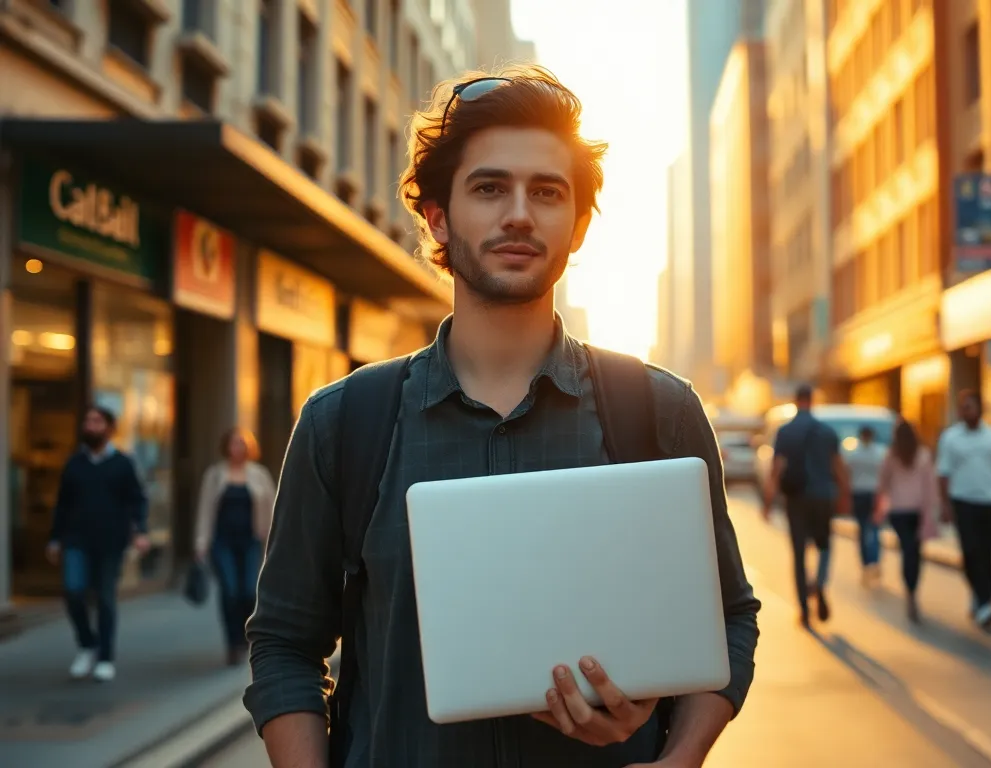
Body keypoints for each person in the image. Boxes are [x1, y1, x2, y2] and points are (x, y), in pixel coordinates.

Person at [243, 66, 760, 767]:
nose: (519, 214)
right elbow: (284, 643)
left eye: (546, 193)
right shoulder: (344, 423)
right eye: (489, 188)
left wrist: (680, 757)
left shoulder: (655, 410)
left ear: (577, 227)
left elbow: (726, 618)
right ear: (438, 218)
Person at [45, 405, 150, 683]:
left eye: (96, 421)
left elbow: (137, 500)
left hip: (110, 542)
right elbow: (62, 505)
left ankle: (105, 657)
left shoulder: (123, 464)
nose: (90, 426)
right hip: (76, 540)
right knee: (74, 592)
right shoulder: (74, 464)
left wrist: (139, 531)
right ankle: (87, 645)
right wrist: (55, 538)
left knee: (105, 599)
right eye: (87, 421)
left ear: (109, 428)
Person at [761, 385, 849, 628]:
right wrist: (844, 494)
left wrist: (768, 502)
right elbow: (838, 467)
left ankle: (803, 610)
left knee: (799, 553)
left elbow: (777, 468)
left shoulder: (786, 432)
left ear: (796, 401)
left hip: (796, 499)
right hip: (823, 496)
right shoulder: (827, 431)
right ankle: (819, 584)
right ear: (812, 401)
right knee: (824, 546)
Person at [194, 427, 276, 666]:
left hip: (251, 541)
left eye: (242, 443)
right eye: (233, 443)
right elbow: (205, 510)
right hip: (222, 543)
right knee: (229, 592)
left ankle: (243, 636)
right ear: (226, 446)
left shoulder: (259, 474)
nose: (237, 448)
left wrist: (273, 540)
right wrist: (201, 543)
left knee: (249, 591)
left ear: (249, 446)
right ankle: (232, 644)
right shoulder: (215, 474)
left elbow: (273, 508)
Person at [936, 389, 991, 630]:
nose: (966, 411)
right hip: (963, 502)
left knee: (987, 553)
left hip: (990, 502)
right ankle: (981, 598)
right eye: (963, 406)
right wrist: (945, 505)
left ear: (981, 409)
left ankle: (985, 603)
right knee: (970, 552)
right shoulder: (950, 438)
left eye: (970, 406)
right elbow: (943, 474)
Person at [874, 421, 940, 621]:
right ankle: (912, 590)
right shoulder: (923, 455)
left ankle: (909, 590)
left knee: (907, 550)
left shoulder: (891, 455)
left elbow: (883, 484)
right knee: (915, 552)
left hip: (898, 511)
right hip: (917, 511)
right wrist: (932, 511)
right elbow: (930, 487)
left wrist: (879, 509)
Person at [845, 425, 886, 588]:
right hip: (875, 493)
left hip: (859, 493)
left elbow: (848, 474)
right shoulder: (880, 453)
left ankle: (865, 562)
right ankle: (874, 560)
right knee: (875, 529)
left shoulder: (854, 454)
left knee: (862, 530)